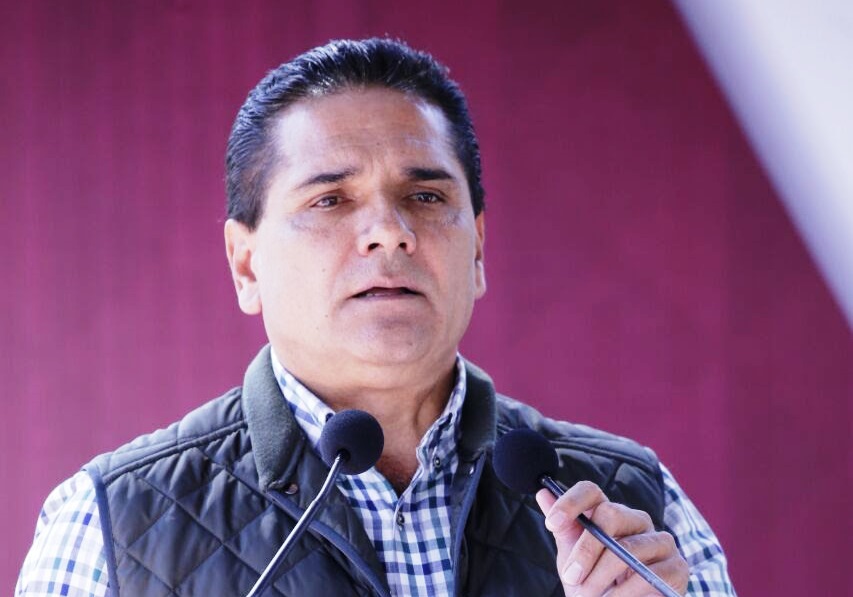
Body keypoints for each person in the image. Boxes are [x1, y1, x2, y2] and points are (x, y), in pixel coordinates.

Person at [16, 38, 735, 596]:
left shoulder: (634, 505)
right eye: (330, 200)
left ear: (477, 250)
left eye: (425, 197)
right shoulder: (113, 522)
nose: (389, 232)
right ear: (246, 264)